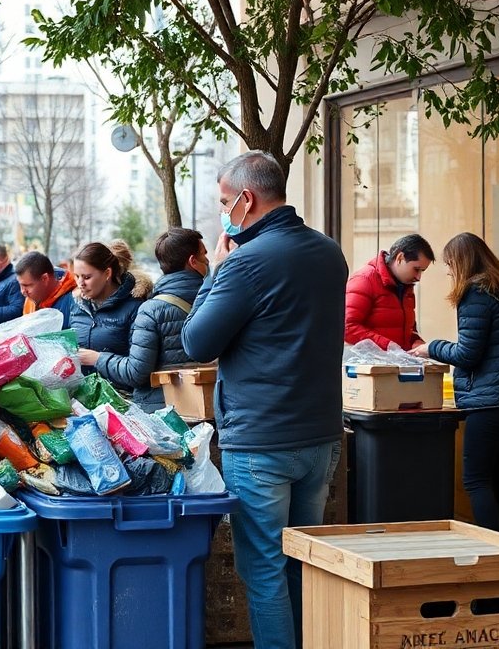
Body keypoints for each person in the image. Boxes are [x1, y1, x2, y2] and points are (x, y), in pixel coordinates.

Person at [180, 151, 346, 649]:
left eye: (224, 202)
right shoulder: (329, 252)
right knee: (302, 560)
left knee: (264, 568)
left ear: (247, 199)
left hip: (261, 441)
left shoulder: (244, 263)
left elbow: (196, 342)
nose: (223, 212)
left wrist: (215, 271)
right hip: (320, 434)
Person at [410, 233, 499, 537]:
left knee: (477, 480)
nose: (449, 271)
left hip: (491, 402)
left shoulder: (475, 293)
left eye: (450, 264)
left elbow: (467, 354)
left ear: (461, 261)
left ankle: (492, 549)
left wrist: (432, 348)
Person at [90, 228, 207, 412]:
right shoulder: (219, 298)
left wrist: (98, 358)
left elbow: (136, 373)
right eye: (204, 254)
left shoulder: (151, 310)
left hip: (164, 413)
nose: (207, 260)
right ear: (193, 261)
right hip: (210, 405)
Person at [70, 242, 147, 385]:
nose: (80, 283)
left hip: (122, 395)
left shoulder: (136, 308)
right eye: (76, 276)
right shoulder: (76, 306)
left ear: (107, 274)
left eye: (86, 277)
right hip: (83, 394)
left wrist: (97, 359)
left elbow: (138, 371)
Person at [345, 233, 433, 350]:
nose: (418, 277)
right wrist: (388, 346)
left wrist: (416, 342)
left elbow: (407, 329)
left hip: (396, 359)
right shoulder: (365, 280)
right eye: (416, 269)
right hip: (372, 360)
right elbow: (347, 327)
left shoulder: (406, 286)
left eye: (422, 271)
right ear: (400, 258)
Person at [14, 251, 76, 328]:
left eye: (26, 285)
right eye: (20, 285)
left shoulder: (73, 300)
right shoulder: (30, 301)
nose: (22, 291)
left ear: (44, 278)